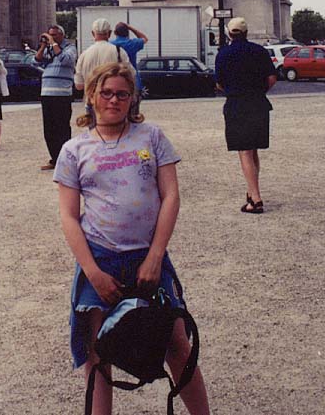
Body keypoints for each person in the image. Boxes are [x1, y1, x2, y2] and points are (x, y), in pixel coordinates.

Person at [54, 62, 210, 415]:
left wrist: (155, 256)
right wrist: (92, 271)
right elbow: (68, 215)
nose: (114, 100)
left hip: (148, 257)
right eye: (106, 92)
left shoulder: (152, 137)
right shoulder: (73, 150)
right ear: (91, 96)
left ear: (133, 99)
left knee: (176, 346)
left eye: (122, 94)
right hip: (100, 259)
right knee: (98, 355)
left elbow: (171, 196)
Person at [215, 16, 277, 214]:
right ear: (246, 32)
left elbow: (219, 84)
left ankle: (256, 199)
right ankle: (251, 192)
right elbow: (272, 78)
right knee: (253, 150)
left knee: (244, 151)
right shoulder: (259, 51)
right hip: (258, 103)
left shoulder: (223, 54)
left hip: (236, 104)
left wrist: (233, 91)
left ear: (229, 34)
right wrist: (258, 92)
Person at [35, 24, 78, 171]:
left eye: (54, 34)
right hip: (47, 93)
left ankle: (66, 159)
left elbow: (66, 60)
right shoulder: (49, 49)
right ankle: (54, 159)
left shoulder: (70, 48)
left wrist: (53, 43)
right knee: (49, 129)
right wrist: (42, 46)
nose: (51, 37)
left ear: (62, 35)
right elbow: (36, 61)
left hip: (62, 94)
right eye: (49, 34)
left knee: (62, 127)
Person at [74, 18, 133, 93]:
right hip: (112, 100)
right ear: (110, 33)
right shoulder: (119, 52)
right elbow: (131, 75)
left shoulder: (84, 55)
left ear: (93, 33)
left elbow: (79, 86)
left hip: (91, 100)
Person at [109, 21, 148, 114]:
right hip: (133, 80)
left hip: (115, 81)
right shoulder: (133, 43)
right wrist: (130, 27)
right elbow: (144, 38)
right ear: (127, 32)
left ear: (115, 33)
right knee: (134, 113)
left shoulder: (110, 45)